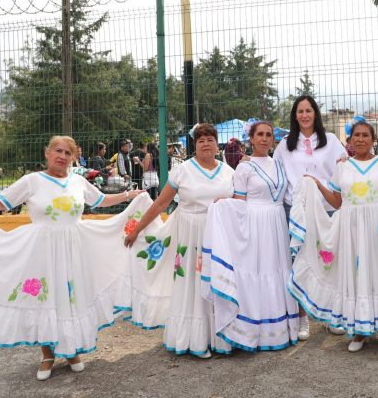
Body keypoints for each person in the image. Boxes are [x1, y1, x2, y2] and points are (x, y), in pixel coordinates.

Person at [0, 136, 147, 380]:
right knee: (46, 298)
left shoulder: (78, 182)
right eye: (58, 151)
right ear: (47, 153)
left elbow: (102, 200)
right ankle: (47, 354)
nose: (62, 156)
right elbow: (0, 202)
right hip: (41, 250)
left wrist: (131, 196)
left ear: (73, 157)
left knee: (70, 297)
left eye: (67, 153)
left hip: (74, 249)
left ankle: (71, 351)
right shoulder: (32, 181)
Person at [288, 119, 378, 355]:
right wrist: (318, 185)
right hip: (349, 228)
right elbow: (338, 201)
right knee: (356, 275)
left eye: (365, 135)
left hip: (377, 226)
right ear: (349, 141)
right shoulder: (343, 167)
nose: (360, 139)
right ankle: (361, 329)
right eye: (356, 135)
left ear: (372, 140)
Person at [124, 123, 235, 357]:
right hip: (189, 233)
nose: (206, 143)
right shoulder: (182, 171)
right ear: (195, 145)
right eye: (200, 139)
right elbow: (161, 203)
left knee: (216, 280)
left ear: (217, 144)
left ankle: (219, 338)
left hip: (219, 235)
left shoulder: (229, 172)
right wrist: (137, 229)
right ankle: (194, 340)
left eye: (210, 139)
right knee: (192, 283)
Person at [201, 120, 298, 351]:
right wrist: (222, 204)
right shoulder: (244, 168)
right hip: (255, 225)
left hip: (277, 223)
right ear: (251, 139)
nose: (264, 139)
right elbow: (239, 202)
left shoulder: (280, 165)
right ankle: (253, 331)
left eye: (268, 135)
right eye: (260, 135)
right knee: (258, 271)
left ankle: (277, 331)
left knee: (276, 271)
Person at [273, 94, 347, 340]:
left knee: (328, 259)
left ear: (316, 113)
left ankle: (329, 315)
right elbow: (276, 175)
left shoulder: (332, 141)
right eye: (300, 111)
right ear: (295, 116)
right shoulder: (285, 145)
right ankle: (302, 317)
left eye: (309, 110)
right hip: (295, 209)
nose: (304, 115)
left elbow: (342, 170)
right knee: (299, 261)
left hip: (326, 206)